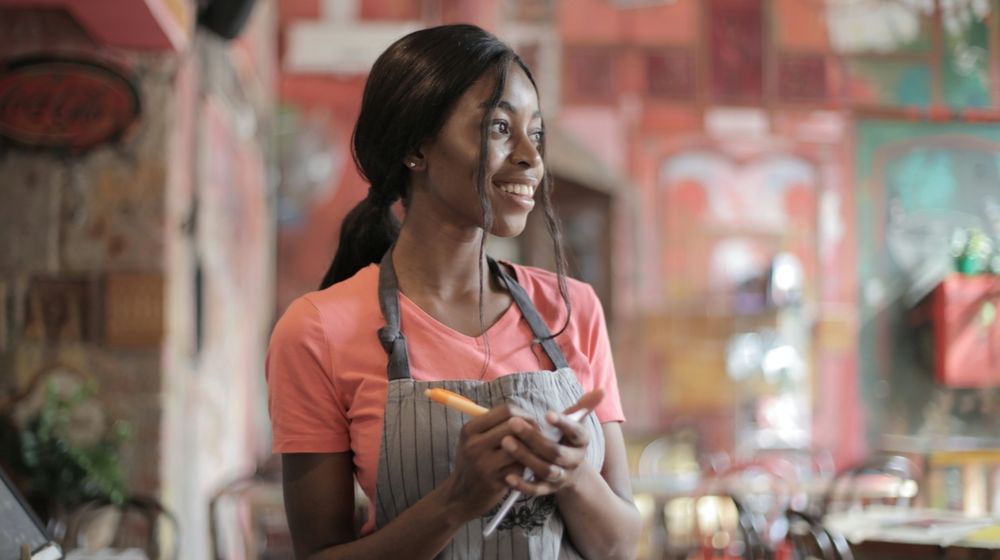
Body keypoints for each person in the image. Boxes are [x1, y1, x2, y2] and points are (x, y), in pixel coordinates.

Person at [266, 24, 640, 559]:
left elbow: (621, 547)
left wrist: (574, 473)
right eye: (497, 128)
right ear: (416, 147)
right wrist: (456, 501)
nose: (531, 159)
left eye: (535, 133)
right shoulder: (316, 331)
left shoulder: (572, 308)